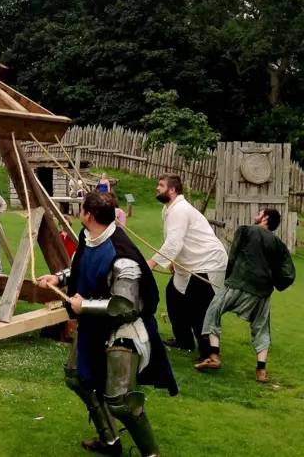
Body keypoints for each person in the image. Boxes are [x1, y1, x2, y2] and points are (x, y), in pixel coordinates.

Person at [38, 192, 177, 457]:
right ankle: (110, 441)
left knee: (120, 402)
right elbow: (81, 266)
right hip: (93, 325)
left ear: (88, 215)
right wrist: (59, 278)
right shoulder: (88, 236)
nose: (79, 212)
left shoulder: (122, 256)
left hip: (123, 329)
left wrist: (83, 306)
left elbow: (124, 305)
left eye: (81, 208)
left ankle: (152, 455)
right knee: (77, 378)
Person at [196, 209, 296, 382]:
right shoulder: (280, 245)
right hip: (262, 292)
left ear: (265, 217)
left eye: (259, 213)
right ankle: (261, 371)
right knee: (262, 328)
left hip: (238, 282)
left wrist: (228, 278)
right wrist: (274, 282)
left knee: (214, 310)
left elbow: (233, 257)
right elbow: (288, 274)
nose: (256, 215)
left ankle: (214, 356)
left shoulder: (245, 230)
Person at [146, 175, 227, 362]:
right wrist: (173, 261)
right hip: (190, 263)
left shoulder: (180, 210)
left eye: (161, 185)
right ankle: (184, 341)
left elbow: (174, 243)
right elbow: (175, 240)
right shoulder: (169, 209)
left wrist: (152, 262)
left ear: (172, 190)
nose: (157, 188)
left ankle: (208, 354)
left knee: (199, 307)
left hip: (207, 262)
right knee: (174, 296)